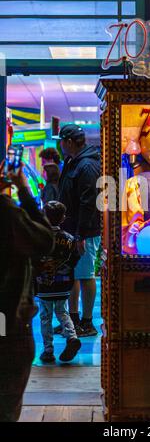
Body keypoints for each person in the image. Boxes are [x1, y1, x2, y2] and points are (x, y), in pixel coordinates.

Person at [0, 162, 54, 422]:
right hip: (6, 322)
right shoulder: (6, 213)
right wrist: (22, 189)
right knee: (6, 401)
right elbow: (45, 240)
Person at [57, 124, 100, 337]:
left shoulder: (87, 165)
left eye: (61, 141)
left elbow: (88, 201)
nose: (60, 145)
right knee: (73, 275)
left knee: (85, 275)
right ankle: (72, 320)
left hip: (85, 231)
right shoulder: (72, 161)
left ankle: (87, 321)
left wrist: (81, 234)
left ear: (70, 142)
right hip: (71, 230)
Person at [35, 201, 81, 363]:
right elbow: (75, 258)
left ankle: (48, 350)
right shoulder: (69, 238)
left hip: (44, 283)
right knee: (63, 312)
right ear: (63, 218)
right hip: (63, 283)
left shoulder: (39, 237)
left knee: (45, 316)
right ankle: (72, 337)